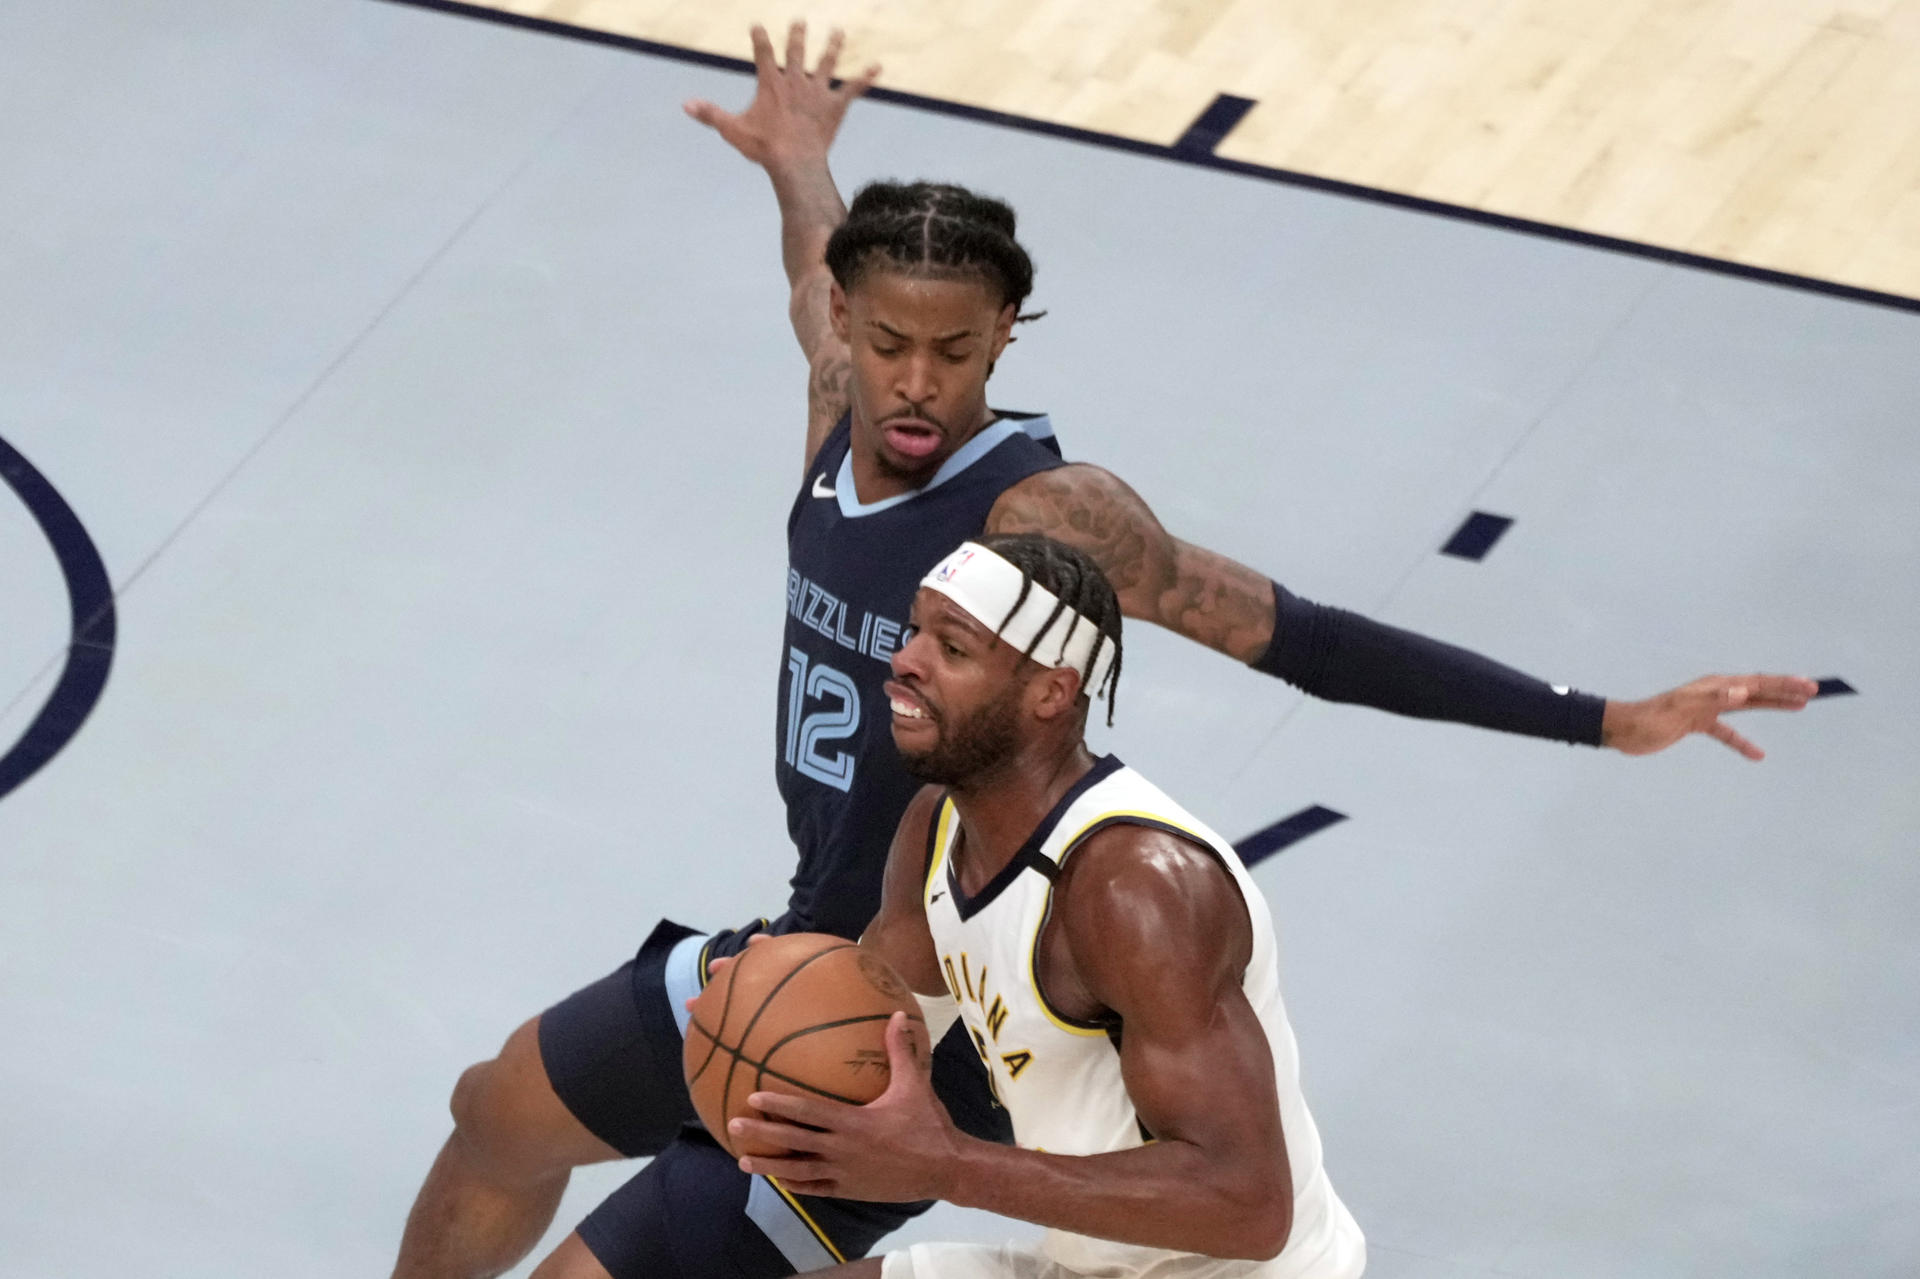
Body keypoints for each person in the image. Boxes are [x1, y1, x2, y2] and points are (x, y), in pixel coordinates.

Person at [387, 23, 1815, 1279]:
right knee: (495, 1105)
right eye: (890, 342)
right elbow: (811, 269)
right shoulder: (837, 397)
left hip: (932, 1012)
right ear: (848, 326)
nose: (918, 381)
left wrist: (1600, 716)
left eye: (957, 352)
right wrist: (795, 162)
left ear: (1008, 336)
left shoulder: (1042, 512)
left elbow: (1293, 633)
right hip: (815, 937)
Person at [725, 532, 1364, 1279]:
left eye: (953, 649)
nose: (906, 660)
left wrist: (951, 1165)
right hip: (1097, 1265)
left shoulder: (1136, 892)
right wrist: (765, 1010)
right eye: (916, 630)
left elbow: (1249, 1205)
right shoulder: (937, 827)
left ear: (1051, 692)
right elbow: (868, 1030)